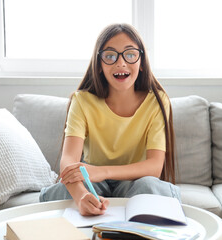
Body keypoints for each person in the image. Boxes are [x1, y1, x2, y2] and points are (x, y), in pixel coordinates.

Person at [39, 23, 180, 216]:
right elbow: (69, 162)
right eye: (110, 56)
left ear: (141, 62)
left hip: (133, 183)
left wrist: (102, 171)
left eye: (130, 54)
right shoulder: (81, 101)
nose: (121, 63)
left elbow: (154, 167)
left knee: (149, 185)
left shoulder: (157, 101)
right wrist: (81, 196)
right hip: (92, 183)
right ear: (99, 65)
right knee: (66, 190)